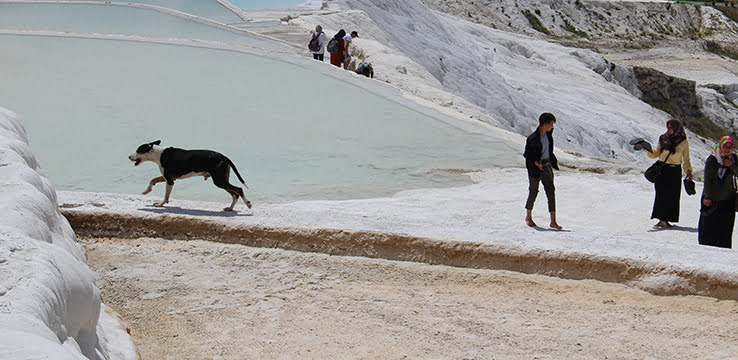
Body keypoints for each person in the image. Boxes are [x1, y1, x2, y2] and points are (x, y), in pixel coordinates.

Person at [644, 119, 692, 229]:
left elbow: (686, 159)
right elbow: (656, 153)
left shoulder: (683, 141)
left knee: (672, 196)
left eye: (671, 128)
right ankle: (661, 220)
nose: (669, 130)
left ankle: (666, 219)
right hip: (662, 170)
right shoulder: (663, 138)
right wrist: (646, 149)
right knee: (661, 195)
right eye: (668, 127)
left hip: (675, 171)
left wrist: (688, 171)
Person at [523, 112, 562, 230]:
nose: (552, 126)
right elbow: (527, 155)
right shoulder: (532, 139)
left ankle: (553, 221)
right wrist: (536, 163)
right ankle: (528, 217)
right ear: (545, 124)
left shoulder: (548, 135)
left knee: (551, 191)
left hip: (546, 166)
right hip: (535, 169)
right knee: (533, 191)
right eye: (551, 124)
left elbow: (549, 151)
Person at [698, 135, 736, 248]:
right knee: (708, 228)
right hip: (711, 200)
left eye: (730, 146)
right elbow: (707, 180)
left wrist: (732, 166)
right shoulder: (713, 159)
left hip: (728, 200)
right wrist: (707, 197)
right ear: (720, 146)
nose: (727, 149)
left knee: (725, 230)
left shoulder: (734, 159)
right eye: (725, 146)